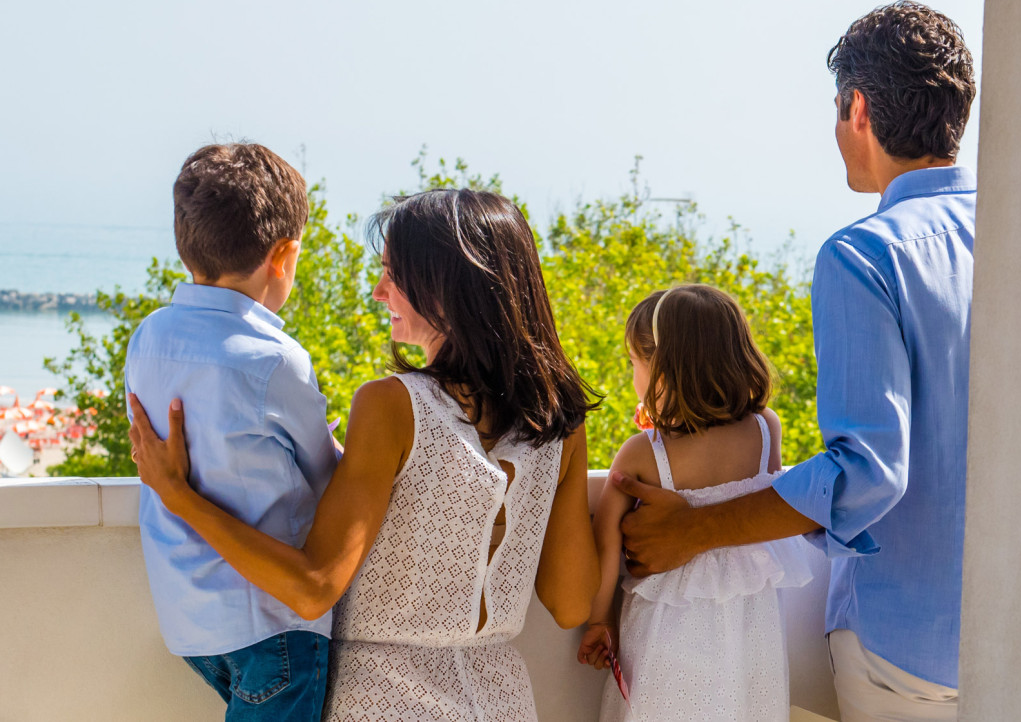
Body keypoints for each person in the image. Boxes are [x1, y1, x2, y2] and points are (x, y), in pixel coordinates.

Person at [613, 3, 977, 720]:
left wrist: (699, 527)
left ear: (858, 108)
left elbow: (869, 470)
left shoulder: (867, 255)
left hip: (909, 655)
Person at [128, 188, 601, 721]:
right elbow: (571, 604)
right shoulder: (562, 424)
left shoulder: (390, 405)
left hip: (383, 699)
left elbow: (312, 590)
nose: (379, 292)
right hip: (499, 703)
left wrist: (179, 496)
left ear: (444, 287)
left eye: (392, 275)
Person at [125, 143, 339, 720]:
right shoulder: (274, 359)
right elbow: (330, 478)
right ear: (284, 254)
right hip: (272, 623)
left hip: (192, 623)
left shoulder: (149, 338)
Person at [576, 286, 813, 721]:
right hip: (750, 629)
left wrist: (599, 621)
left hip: (669, 631)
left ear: (662, 372)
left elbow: (606, 542)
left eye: (635, 363)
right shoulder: (765, 429)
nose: (633, 374)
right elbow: (768, 504)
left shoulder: (643, 454)